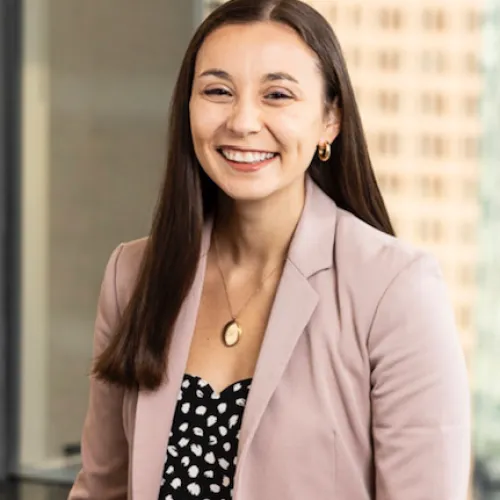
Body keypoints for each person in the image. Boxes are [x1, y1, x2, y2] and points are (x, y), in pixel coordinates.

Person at [68, 0, 471, 498]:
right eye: (218, 91)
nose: (242, 121)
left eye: (277, 94)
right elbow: (101, 488)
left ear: (330, 120)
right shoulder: (132, 275)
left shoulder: (395, 289)